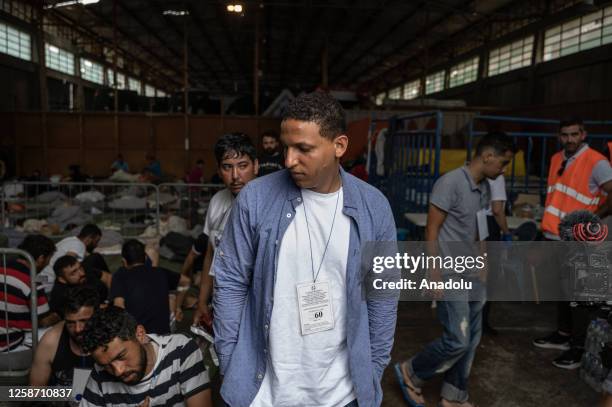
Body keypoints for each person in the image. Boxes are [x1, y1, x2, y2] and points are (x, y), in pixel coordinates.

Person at [213, 91, 398, 406]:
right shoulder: (255, 199)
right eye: (287, 147)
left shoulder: (373, 208)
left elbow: (383, 292)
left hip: (341, 393)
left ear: (339, 146)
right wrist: (230, 359)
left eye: (303, 149)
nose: (288, 160)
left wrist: (374, 365)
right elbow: (230, 281)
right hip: (264, 393)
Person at [395, 132, 515, 407]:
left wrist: (483, 261)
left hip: (473, 272)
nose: (504, 170)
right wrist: (434, 273)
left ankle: (453, 395)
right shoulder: (449, 183)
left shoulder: (483, 187)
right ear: (488, 157)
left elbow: (481, 228)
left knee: (472, 341)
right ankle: (411, 371)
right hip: (450, 272)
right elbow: (432, 229)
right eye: (503, 163)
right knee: (458, 340)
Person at [534, 117, 612, 370]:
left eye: (574, 134)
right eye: (564, 135)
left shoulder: (596, 162)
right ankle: (564, 335)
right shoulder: (558, 158)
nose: (569, 139)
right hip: (556, 235)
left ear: (583, 134)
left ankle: (578, 347)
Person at [80, 306, 211, 407]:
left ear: (140, 334)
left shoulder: (179, 349)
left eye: (121, 356)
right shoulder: (100, 372)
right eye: (106, 365)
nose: (118, 371)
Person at [191, 133, 259, 326]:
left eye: (243, 166)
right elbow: (210, 256)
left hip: (256, 306)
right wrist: (203, 302)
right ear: (219, 170)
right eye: (227, 167)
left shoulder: (269, 206)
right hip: (224, 303)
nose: (235, 176)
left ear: (256, 165)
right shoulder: (217, 201)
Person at [110, 239, 190, 335]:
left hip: (138, 337)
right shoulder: (160, 272)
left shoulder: (120, 276)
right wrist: (178, 307)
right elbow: (186, 281)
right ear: (145, 257)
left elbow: (119, 307)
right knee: (171, 296)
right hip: (163, 335)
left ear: (124, 261)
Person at [0, 234, 61, 352]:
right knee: (58, 331)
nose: (48, 263)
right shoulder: (34, 282)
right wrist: (59, 316)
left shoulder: (3, 266)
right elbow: (43, 321)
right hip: (9, 343)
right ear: (41, 258)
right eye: (49, 259)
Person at [30, 286, 98, 386]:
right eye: (70, 323)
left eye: (84, 321)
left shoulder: (112, 338)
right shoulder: (51, 341)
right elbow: (35, 391)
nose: (78, 329)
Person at [38, 224, 109, 295]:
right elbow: (67, 264)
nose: (96, 245)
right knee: (95, 259)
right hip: (50, 282)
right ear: (89, 239)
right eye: (96, 242)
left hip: (41, 278)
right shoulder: (79, 245)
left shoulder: (70, 240)